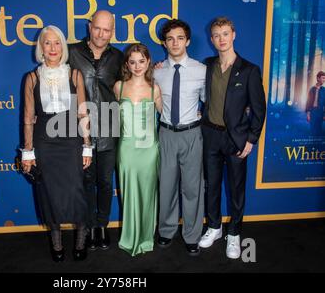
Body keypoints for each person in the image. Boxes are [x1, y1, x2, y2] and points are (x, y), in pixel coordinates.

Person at [21, 25, 92, 262]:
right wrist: (28, 152)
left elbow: (83, 113)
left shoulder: (74, 75)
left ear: (63, 46)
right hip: (45, 143)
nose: (52, 48)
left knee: (77, 193)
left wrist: (87, 145)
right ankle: (57, 242)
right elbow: (29, 117)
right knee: (49, 194)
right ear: (41, 47)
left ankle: (82, 239)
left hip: (71, 140)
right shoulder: (32, 78)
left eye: (57, 42)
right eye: (47, 43)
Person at [199, 17, 266, 259]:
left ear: (233, 35)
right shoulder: (206, 65)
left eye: (225, 34)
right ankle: (214, 227)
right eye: (216, 35)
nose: (221, 39)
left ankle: (235, 234)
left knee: (236, 190)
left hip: (237, 139)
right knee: (212, 187)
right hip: (210, 135)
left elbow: (259, 109)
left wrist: (251, 139)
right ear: (211, 38)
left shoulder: (249, 70)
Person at [68, 10, 124, 250]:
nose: (102, 34)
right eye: (97, 28)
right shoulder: (71, 52)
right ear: (89, 26)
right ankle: (88, 226)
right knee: (86, 181)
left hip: (110, 129)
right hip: (80, 130)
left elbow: (135, 82)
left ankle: (102, 225)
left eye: (107, 30)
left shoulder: (119, 57)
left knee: (105, 181)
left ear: (112, 31)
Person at [154, 19, 206, 256]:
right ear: (164, 43)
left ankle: (193, 235)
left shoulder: (201, 70)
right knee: (166, 186)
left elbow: (210, 101)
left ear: (188, 41)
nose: (175, 43)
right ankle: (166, 231)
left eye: (180, 38)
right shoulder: (156, 72)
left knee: (193, 188)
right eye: (170, 39)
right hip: (166, 134)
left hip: (192, 134)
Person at [113, 44, 162, 256]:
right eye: (132, 61)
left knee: (147, 194)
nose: (137, 66)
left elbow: (168, 116)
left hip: (149, 149)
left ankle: (145, 237)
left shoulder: (155, 88)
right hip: (126, 149)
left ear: (148, 62)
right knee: (129, 193)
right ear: (127, 64)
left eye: (141, 61)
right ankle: (130, 236)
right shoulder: (118, 87)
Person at [306, 71, 325, 136]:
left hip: (320, 112)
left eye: (324, 78)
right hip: (313, 111)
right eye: (322, 78)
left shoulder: (324, 90)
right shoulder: (312, 89)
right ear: (318, 78)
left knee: (319, 128)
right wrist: (308, 115)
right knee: (312, 128)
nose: (324, 80)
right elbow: (308, 102)